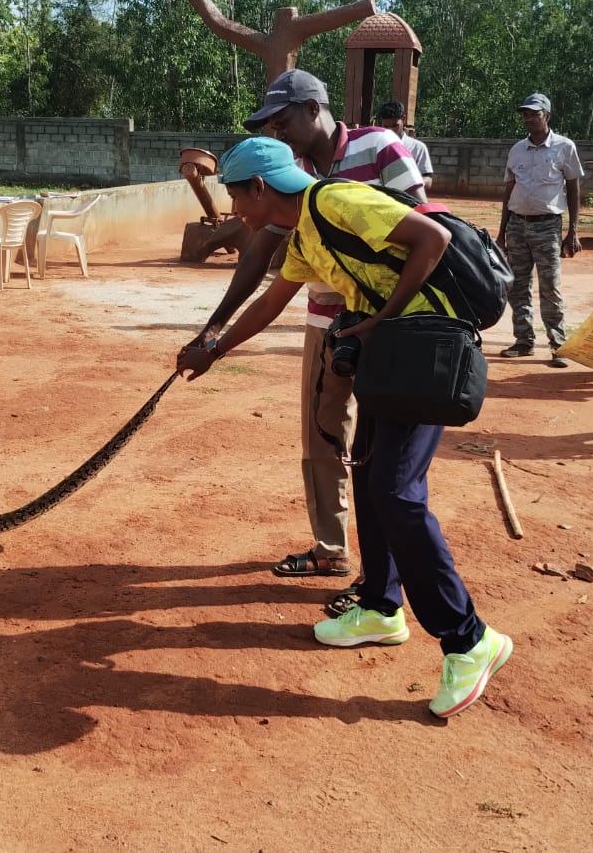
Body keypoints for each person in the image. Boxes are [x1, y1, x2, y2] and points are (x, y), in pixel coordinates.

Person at [176, 136, 512, 719]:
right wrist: (215, 347)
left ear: (258, 188)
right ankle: (382, 608)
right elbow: (272, 299)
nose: (232, 209)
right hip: (391, 350)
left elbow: (430, 238)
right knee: (368, 474)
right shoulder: (304, 231)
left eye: (233, 194)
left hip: (426, 349)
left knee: (397, 491)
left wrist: (380, 319)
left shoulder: (334, 202)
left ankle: (469, 638)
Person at [183, 69, 426, 617]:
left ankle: (385, 587)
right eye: (268, 123)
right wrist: (215, 332)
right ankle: (332, 551)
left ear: (314, 109)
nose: (275, 130)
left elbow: (425, 229)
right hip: (324, 319)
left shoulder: (378, 148)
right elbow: (263, 270)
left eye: (282, 119)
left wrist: (378, 316)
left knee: (383, 462)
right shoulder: (285, 173)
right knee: (325, 437)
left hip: (389, 326)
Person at [497, 93, 584, 368]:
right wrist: (502, 232)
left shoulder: (564, 147)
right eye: (525, 114)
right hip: (517, 225)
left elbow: (573, 187)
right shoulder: (517, 150)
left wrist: (574, 230)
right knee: (517, 286)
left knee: (550, 288)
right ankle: (524, 341)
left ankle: (558, 346)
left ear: (547, 115)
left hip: (547, 227)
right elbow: (509, 190)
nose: (528, 118)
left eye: (534, 113)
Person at [375, 100, 434, 189]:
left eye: (395, 126)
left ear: (404, 119)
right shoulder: (374, 147)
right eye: (386, 126)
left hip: (407, 200)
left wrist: (410, 185)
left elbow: (428, 179)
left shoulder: (417, 148)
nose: (390, 130)